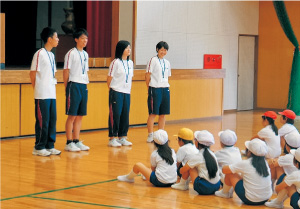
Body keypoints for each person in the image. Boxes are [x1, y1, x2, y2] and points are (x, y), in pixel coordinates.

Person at [30, 27, 61, 156]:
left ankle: (50, 145)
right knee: (43, 121)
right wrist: (37, 89)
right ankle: (39, 147)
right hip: (42, 94)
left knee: (52, 120)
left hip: (51, 93)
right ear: (49, 39)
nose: (58, 40)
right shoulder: (39, 54)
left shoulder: (52, 55)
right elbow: (32, 74)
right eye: (56, 37)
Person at [215, 138, 272, 206]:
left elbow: (224, 170)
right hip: (265, 198)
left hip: (250, 200)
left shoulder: (246, 163)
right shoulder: (265, 163)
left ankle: (224, 193)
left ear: (249, 152)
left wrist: (228, 164)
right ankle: (225, 192)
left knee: (230, 173)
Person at [63, 28, 90, 152]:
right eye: (82, 38)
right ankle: (69, 142)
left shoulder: (85, 54)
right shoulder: (71, 53)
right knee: (72, 115)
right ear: (76, 39)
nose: (85, 41)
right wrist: (67, 87)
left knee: (80, 116)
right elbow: (66, 71)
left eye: (86, 38)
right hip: (73, 85)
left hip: (83, 85)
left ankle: (76, 140)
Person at [172, 130, 220, 195]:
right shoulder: (212, 153)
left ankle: (182, 184)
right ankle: (183, 184)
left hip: (205, 188)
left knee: (190, 167)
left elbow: (182, 170)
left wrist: (180, 170)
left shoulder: (198, 156)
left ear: (197, 142)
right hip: (217, 186)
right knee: (192, 165)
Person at [107, 40, 134, 147]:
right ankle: (112, 137)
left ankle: (122, 136)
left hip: (126, 92)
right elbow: (109, 79)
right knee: (115, 115)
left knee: (125, 114)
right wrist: (113, 91)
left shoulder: (130, 63)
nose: (129, 50)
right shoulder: (115, 62)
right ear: (121, 49)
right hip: (116, 91)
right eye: (127, 48)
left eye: (130, 48)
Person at [265, 132, 300, 208]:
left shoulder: (288, 158)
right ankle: (278, 200)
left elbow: (277, 189)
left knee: (288, 182)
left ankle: (278, 201)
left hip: (298, 204)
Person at [145, 41, 171, 143]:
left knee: (163, 114)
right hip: (154, 88)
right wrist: (149, 88)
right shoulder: (153, 60)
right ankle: (150, 135)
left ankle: (161, 135)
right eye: (161, 50)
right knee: (153, 113)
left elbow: (167, 76)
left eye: (165, 50)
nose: (163, 52)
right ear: (157, 50)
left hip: (165, 89)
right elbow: (147, 75)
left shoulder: (167, 62)